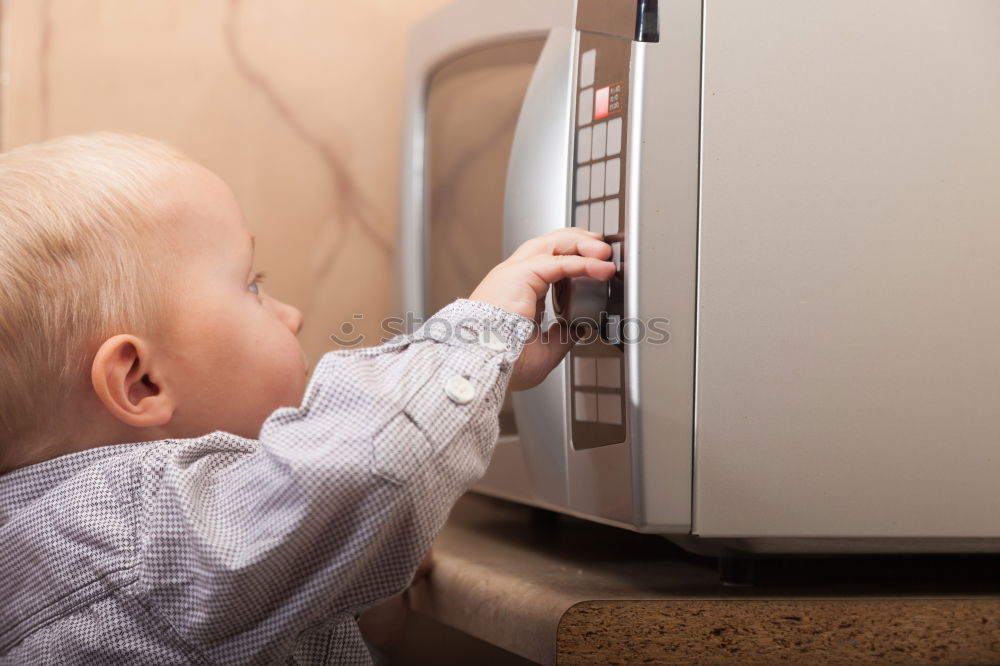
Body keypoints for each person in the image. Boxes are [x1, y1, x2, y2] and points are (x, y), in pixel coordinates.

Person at [0, 133, 614, 664]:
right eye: (252, 286)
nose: (290, 315)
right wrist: (480, 337)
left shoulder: (66, 537)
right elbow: (368, 466)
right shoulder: (137, 532)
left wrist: (352, 608)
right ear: (141, 383)